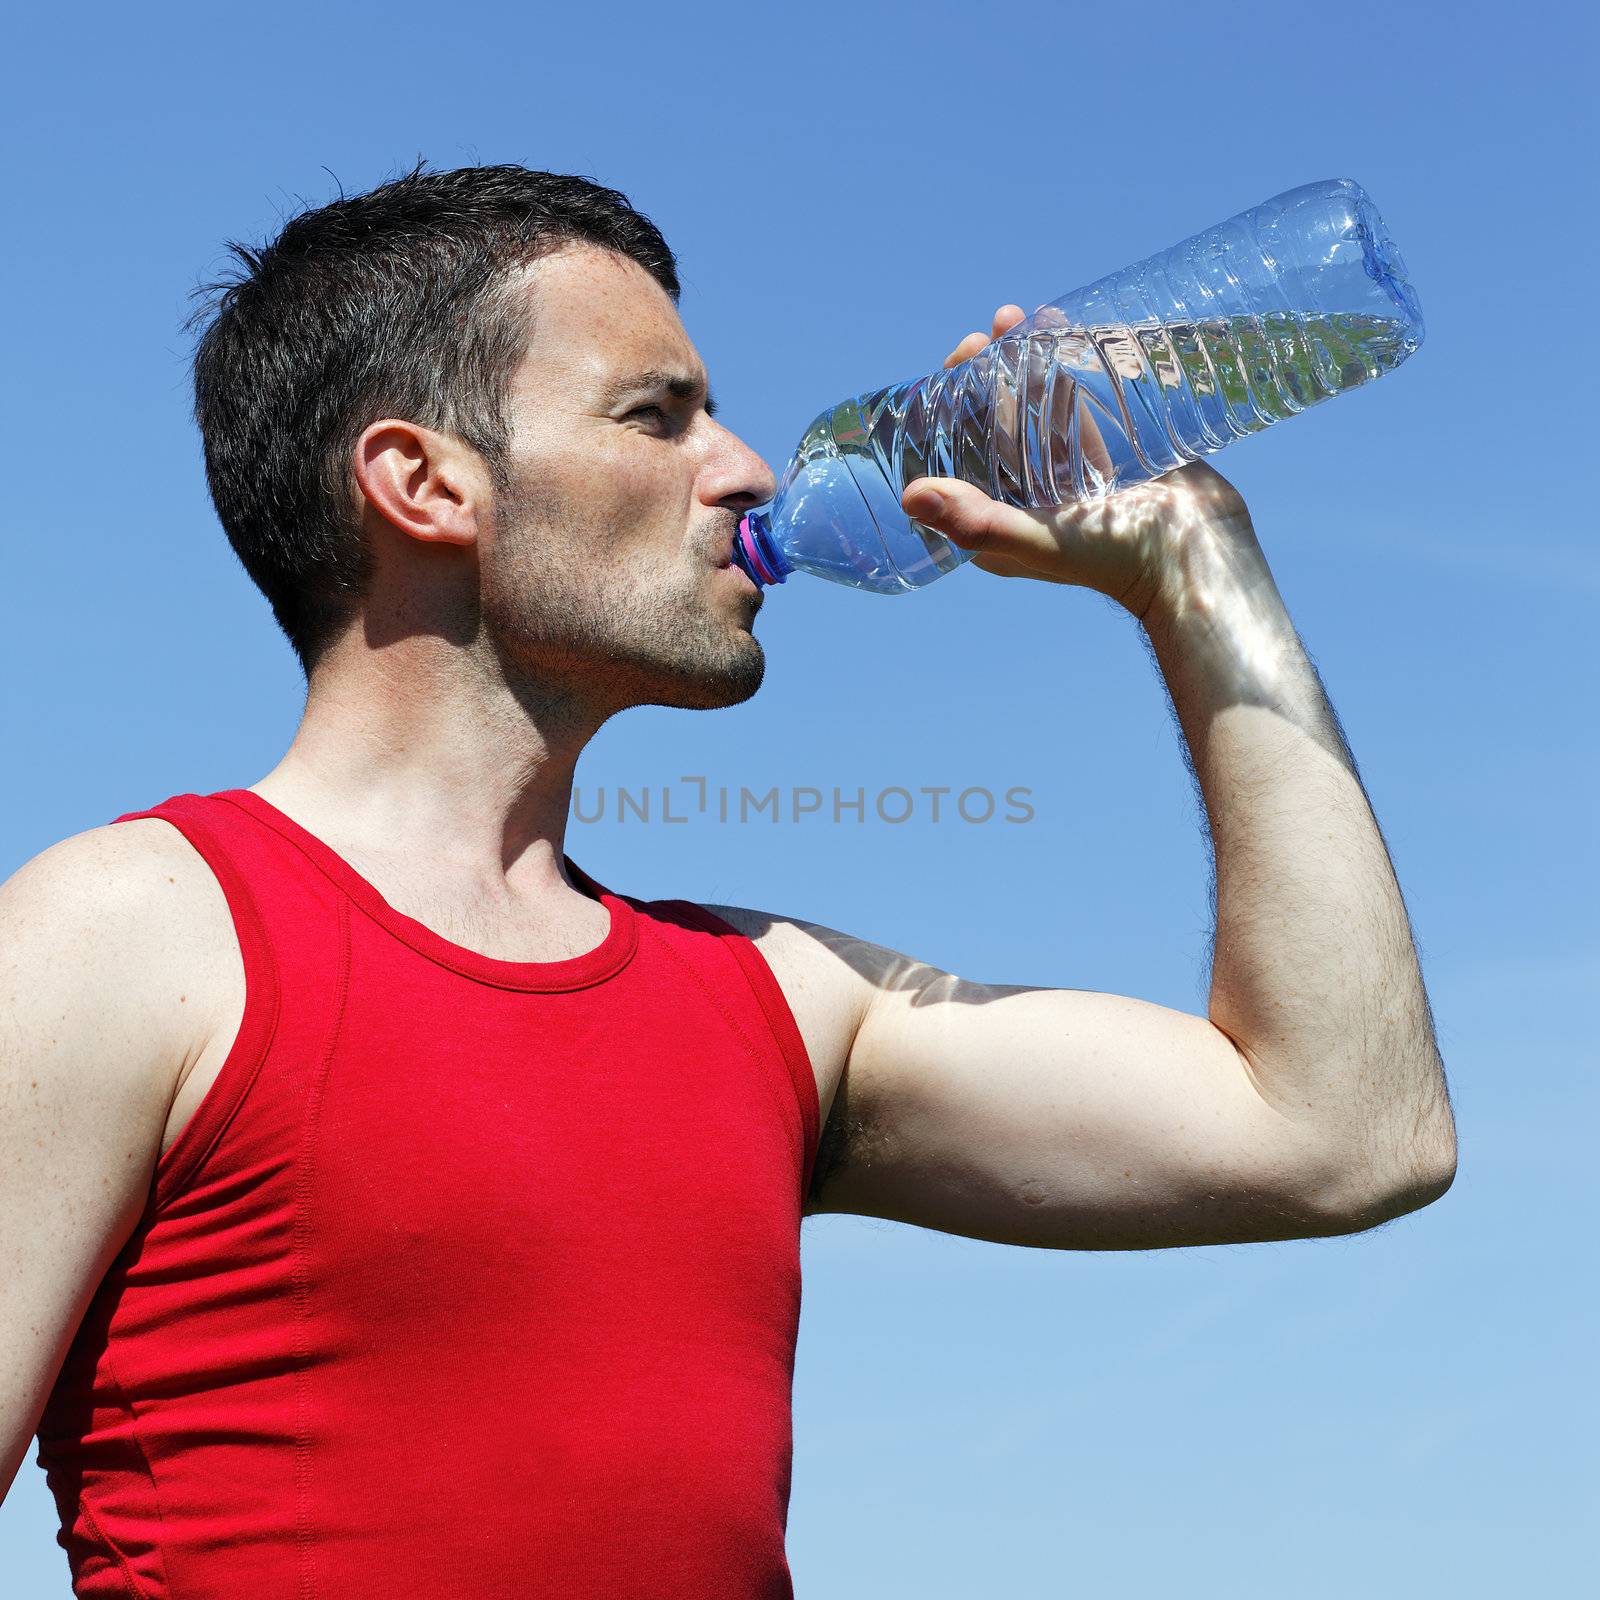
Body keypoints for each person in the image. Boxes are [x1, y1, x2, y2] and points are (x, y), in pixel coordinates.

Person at [0, 162, 1457, 1599]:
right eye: (658, 416)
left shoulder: (780, 1004)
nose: (749, 468)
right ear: (425, 483)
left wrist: (1201, 568)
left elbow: (1344, 1134)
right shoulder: (132, 934)